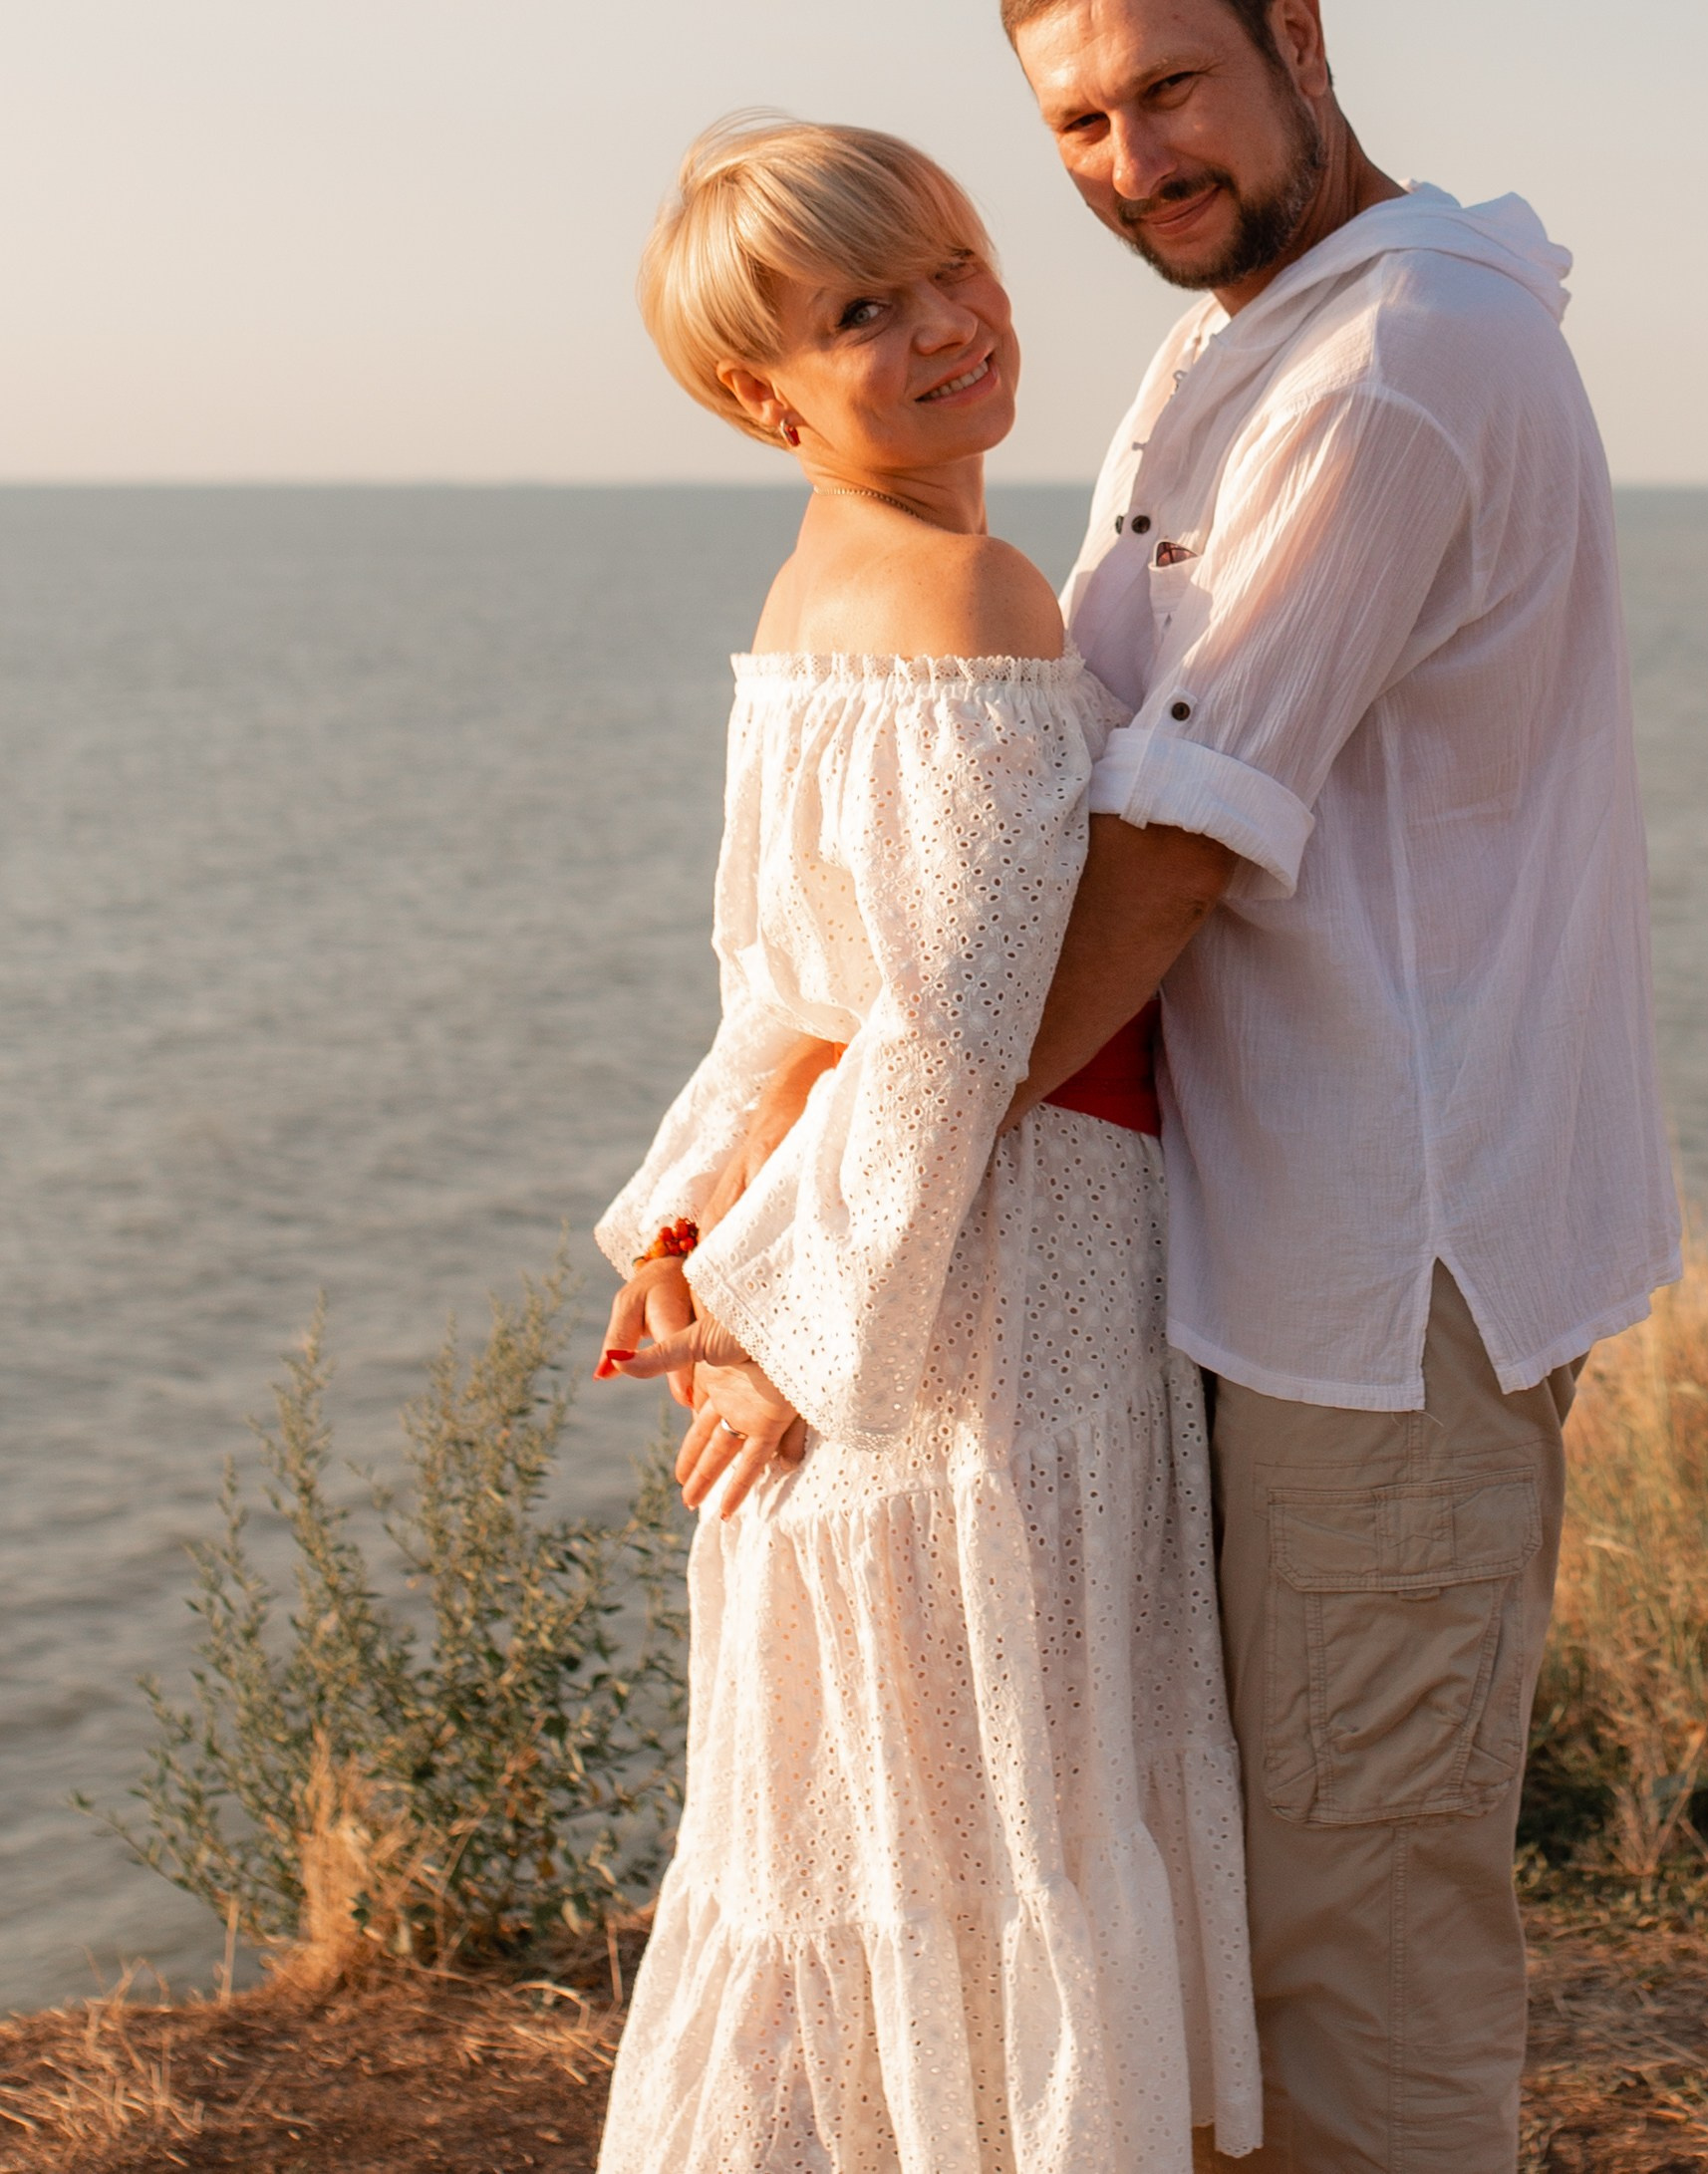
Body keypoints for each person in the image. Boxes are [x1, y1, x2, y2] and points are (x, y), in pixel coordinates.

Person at [990, 0, 1683, 2174]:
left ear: (1301, 35)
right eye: (1079, 128)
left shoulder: (1396, 363)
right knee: (1249, 1903)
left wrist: (921, 1171)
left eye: (1170, 89)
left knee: (1358, 1949)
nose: (1134, 163)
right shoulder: (1249, 333)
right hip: (1284, 1264)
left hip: (1391, 1283)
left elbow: (1178, 838)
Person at [589, 116, 1262, 2174]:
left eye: (955, 262)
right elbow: (951, 1036)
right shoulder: (967, 591)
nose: (955, 322)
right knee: (1020, 1813)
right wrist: (778, 1317)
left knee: (882, 1823)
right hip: (993, 1288)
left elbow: (778, 988)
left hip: (884, 1269)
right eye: (867, 310)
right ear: (756, 390)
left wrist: (692, 1222)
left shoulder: (811, 593)